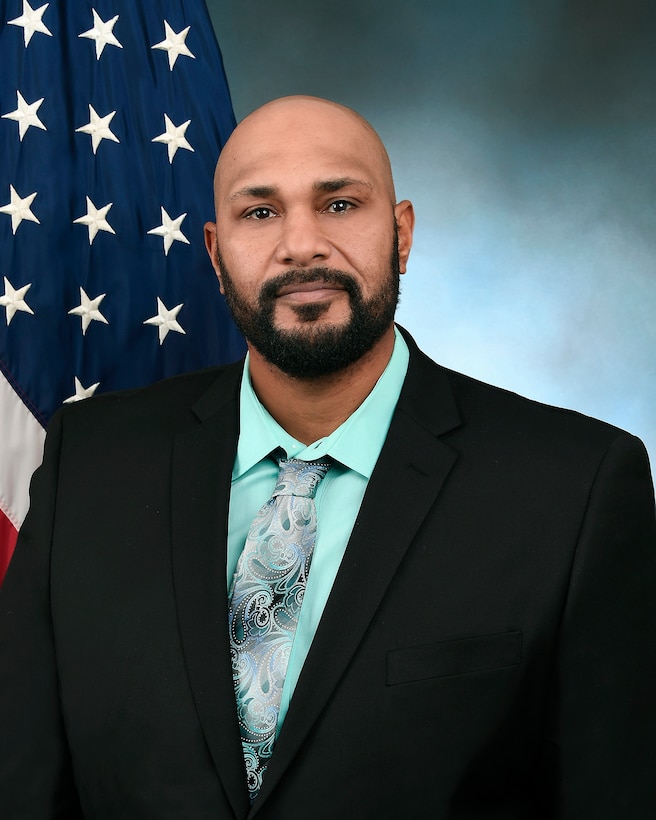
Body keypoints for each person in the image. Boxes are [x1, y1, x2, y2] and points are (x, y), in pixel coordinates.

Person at [1, 96, 655, 820]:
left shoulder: (578, 487)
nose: (302, 244)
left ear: (401, 235)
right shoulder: (92, 463)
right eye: (261, 213)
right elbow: (23, 784)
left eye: (340, 204)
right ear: (216, 256)